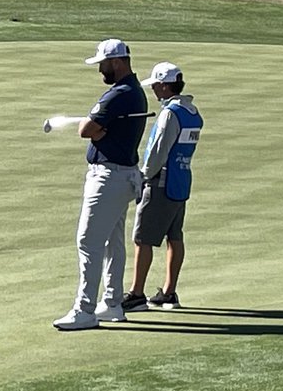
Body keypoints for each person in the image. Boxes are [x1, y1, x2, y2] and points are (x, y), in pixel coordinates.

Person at [52, 39, 149, 331]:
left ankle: (84, 310)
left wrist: (97, 131)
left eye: (103, 64)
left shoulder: (118, 94)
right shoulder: (133, 91)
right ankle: (112, 303)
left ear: (117, 62)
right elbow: (95, 129)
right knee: (111, 241)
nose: (100, 71)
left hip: (108, 177)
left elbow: (86, 130)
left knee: (89, 241)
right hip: (123, 175)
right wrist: (99, 130)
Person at [122, 62, 202, 312]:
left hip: (161, 183)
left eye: (156, 86)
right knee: (174, 237)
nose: (154, 91)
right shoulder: (192, 111)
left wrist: (143, 176)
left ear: (166, 86)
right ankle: (169, 292)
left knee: (142, 238)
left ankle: (136, 294)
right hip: (180, 182)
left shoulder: (170, 113)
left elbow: (158, 151)